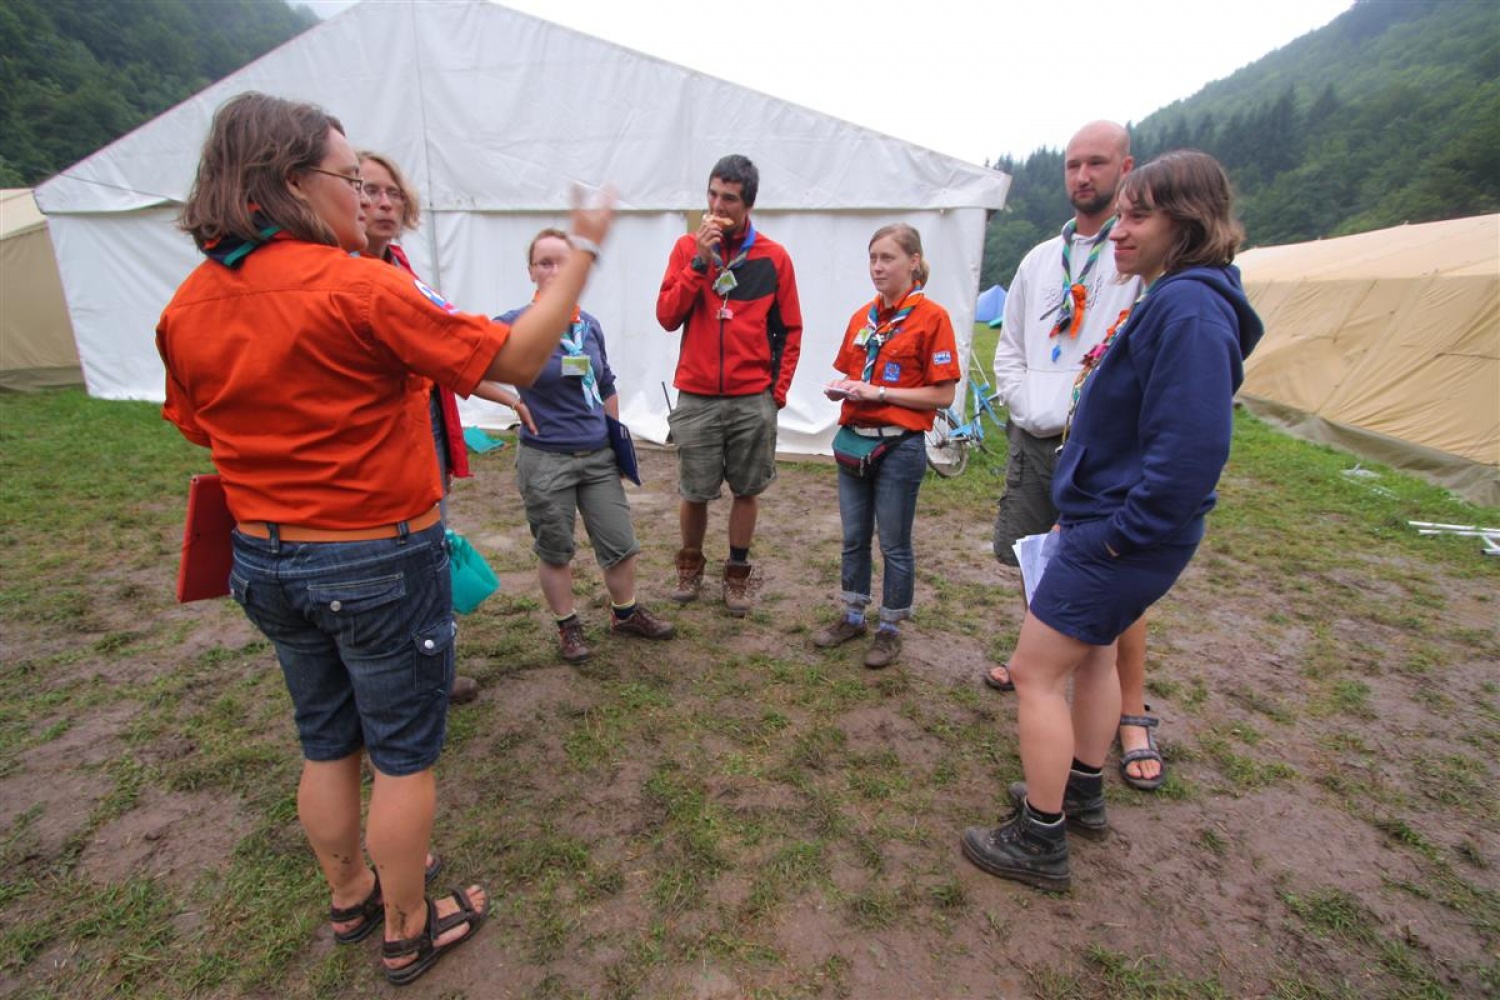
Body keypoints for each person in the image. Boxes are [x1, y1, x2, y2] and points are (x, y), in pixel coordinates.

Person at [156, 93, 613, 985]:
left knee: (326, 741)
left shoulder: (189, 303)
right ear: (291, 185)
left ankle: (350, 893)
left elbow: (194, 424)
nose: (358, 191)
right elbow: (516, 357)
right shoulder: (361, 285)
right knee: (404, 756)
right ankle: (409, 924)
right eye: (345, 175)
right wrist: (585, 247)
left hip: (265, 558)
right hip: (373, 552)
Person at [961, 150, 1263, 892]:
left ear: (1186, 224)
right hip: (1110, 523)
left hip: (1120, 535)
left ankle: (1039, 838)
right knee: (1092, 656)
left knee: (1034, 674)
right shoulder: (1182, 297)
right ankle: (1082, 791)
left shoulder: (1189, 309)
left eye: (1138, 215)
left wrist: (1120, 533)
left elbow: (1192, 452)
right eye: (1120, 213)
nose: (1119, 232)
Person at [986, 122, 1163, 793]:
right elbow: (1009, 352)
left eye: (1096, 163)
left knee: (1118, 584)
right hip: (1039, 437)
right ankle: (1045, 662)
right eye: (1071, 165)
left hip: (1106, 447)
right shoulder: (1039, 259)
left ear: (1126, 166)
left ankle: (1133, 711)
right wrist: (1032, 403)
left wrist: (1079, 406)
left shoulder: (1138, 256)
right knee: (1037, 559)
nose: (1082, 176)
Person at [491, 228, 675, 661]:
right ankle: (568, 626)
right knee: (555, 548)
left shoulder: (588, 326)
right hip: (545, 457)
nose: (555, 271)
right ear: (531, 271)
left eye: (564, 263)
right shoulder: (514, 324)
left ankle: (625, 613)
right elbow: (460, 357)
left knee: (619, 541)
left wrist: (613, 434)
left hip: (596, 456)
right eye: (545, 263)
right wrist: (511, 401)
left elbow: (606, 381)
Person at [356, 149, 480, 706]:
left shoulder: (400, 267)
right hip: (377, 450)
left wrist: (496, 386)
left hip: (427, 429)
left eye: (392, 193)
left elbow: (444, 345)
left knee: (432, 549)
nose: (383, 203)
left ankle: (437, 666)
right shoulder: (341, 273)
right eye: (367, 191)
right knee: (386, 561)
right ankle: (398, 676)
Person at [656, 154, 803, 616]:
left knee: (746, 490)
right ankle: (690, 565)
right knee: (694, 491)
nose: (717, 207)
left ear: (748, 204)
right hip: (696, 395)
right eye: (712, 195)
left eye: (729, 199)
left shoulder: (773, 257)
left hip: (750, 398)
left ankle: (737, 572)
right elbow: (666, 316)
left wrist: (774, 394)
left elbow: (790, 331)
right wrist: (699, 263)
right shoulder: (686, 249)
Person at [813, 224, 959, 668]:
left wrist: (880, 394)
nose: (877, 267)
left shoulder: (933, 318)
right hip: (856, 442)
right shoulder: (863, 318)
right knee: (854, 538)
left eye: (887, 258)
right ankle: (853, 614)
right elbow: (850, 372)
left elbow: (943, 395)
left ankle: (891, 626)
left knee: (894, 543)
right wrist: (842, 389)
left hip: (900, 447)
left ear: (914, 261)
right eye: (872, 258)